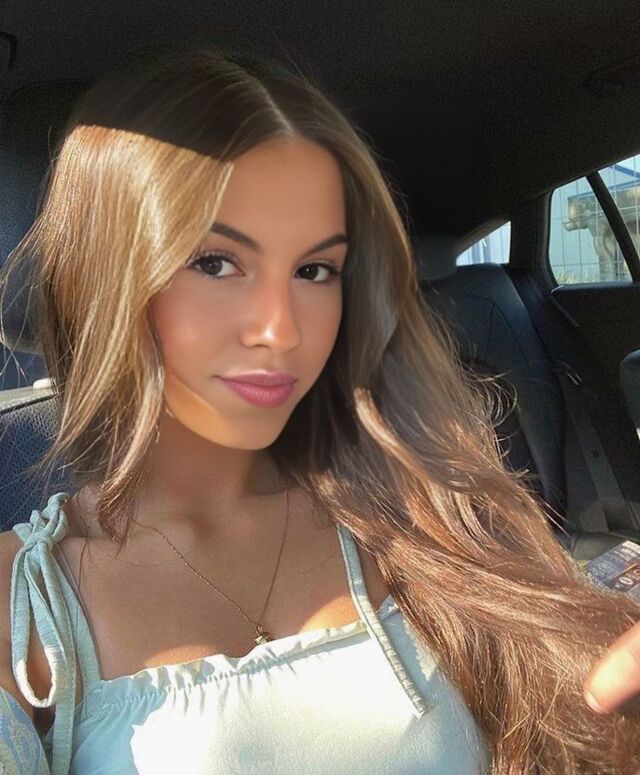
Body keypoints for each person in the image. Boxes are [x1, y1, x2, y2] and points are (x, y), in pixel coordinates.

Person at [1, 42, 640, 775]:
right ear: (106, 279)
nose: (281, 329)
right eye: (215, 262)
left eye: (314, 270)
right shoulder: (26, 601)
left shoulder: (424, 508)